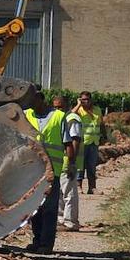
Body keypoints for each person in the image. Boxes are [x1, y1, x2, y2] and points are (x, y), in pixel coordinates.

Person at [24, 93, 77, 254]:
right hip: (32, 170)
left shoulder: (58, 116)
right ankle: (37, 240)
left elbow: (68, 143)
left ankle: (46, 244)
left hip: (52, 170)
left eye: (33, 101)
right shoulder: (26, 115)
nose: (31, 105)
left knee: (49, 208)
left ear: (41, 100)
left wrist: (71, 164)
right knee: (35, 208)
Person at [55, 95, 82, 231]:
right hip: (59, 162)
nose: (57, 109)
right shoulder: (60, 118)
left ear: (67, 106)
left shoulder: (72, 119)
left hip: (67, 161)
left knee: (69, 193)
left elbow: (75, 141)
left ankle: (71, 222)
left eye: (60, 107)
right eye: (55, 107)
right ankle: (61, 220)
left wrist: (72, 162)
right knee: (59, 192)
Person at [77, 91, 102, 194]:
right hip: (83, 142)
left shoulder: (97, 110)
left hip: (94, 142)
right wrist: (78, 105)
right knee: (80, 166)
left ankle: (92, 187)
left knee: (92, 166)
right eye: (83, 99)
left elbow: (101, 123)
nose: (86, 101)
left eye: (87, 99)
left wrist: (103, 136)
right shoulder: (78, 110)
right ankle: (79, 186)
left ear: (91, 100)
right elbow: (70, 115)